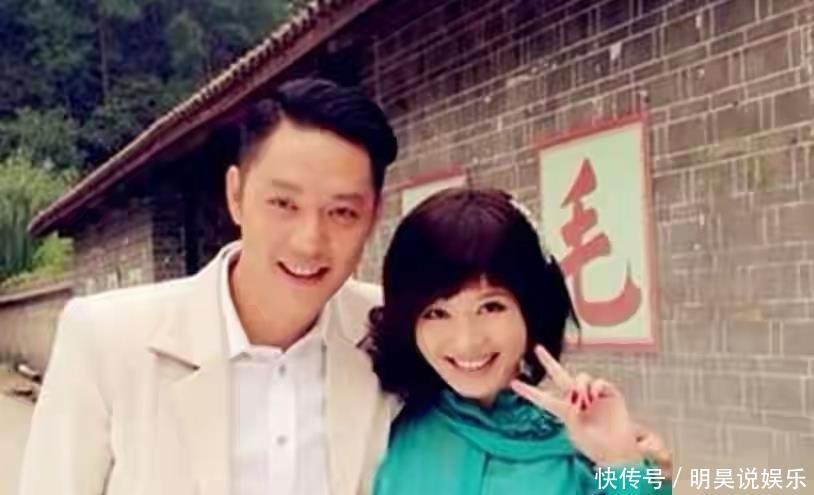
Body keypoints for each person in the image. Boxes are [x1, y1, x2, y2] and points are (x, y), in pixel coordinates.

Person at [18, 78, 399, 495]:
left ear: (374, 216)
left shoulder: (396, 329)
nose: (309, 241)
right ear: (236, 195)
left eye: (342, 212)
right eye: (283, 204)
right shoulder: (106, 339)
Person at [369, 187, 672, 495]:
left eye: (490, 307)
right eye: (436, 313)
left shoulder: (582, 451)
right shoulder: (381, 425)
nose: (466, 341)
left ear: (533, 310)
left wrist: (621, 460)